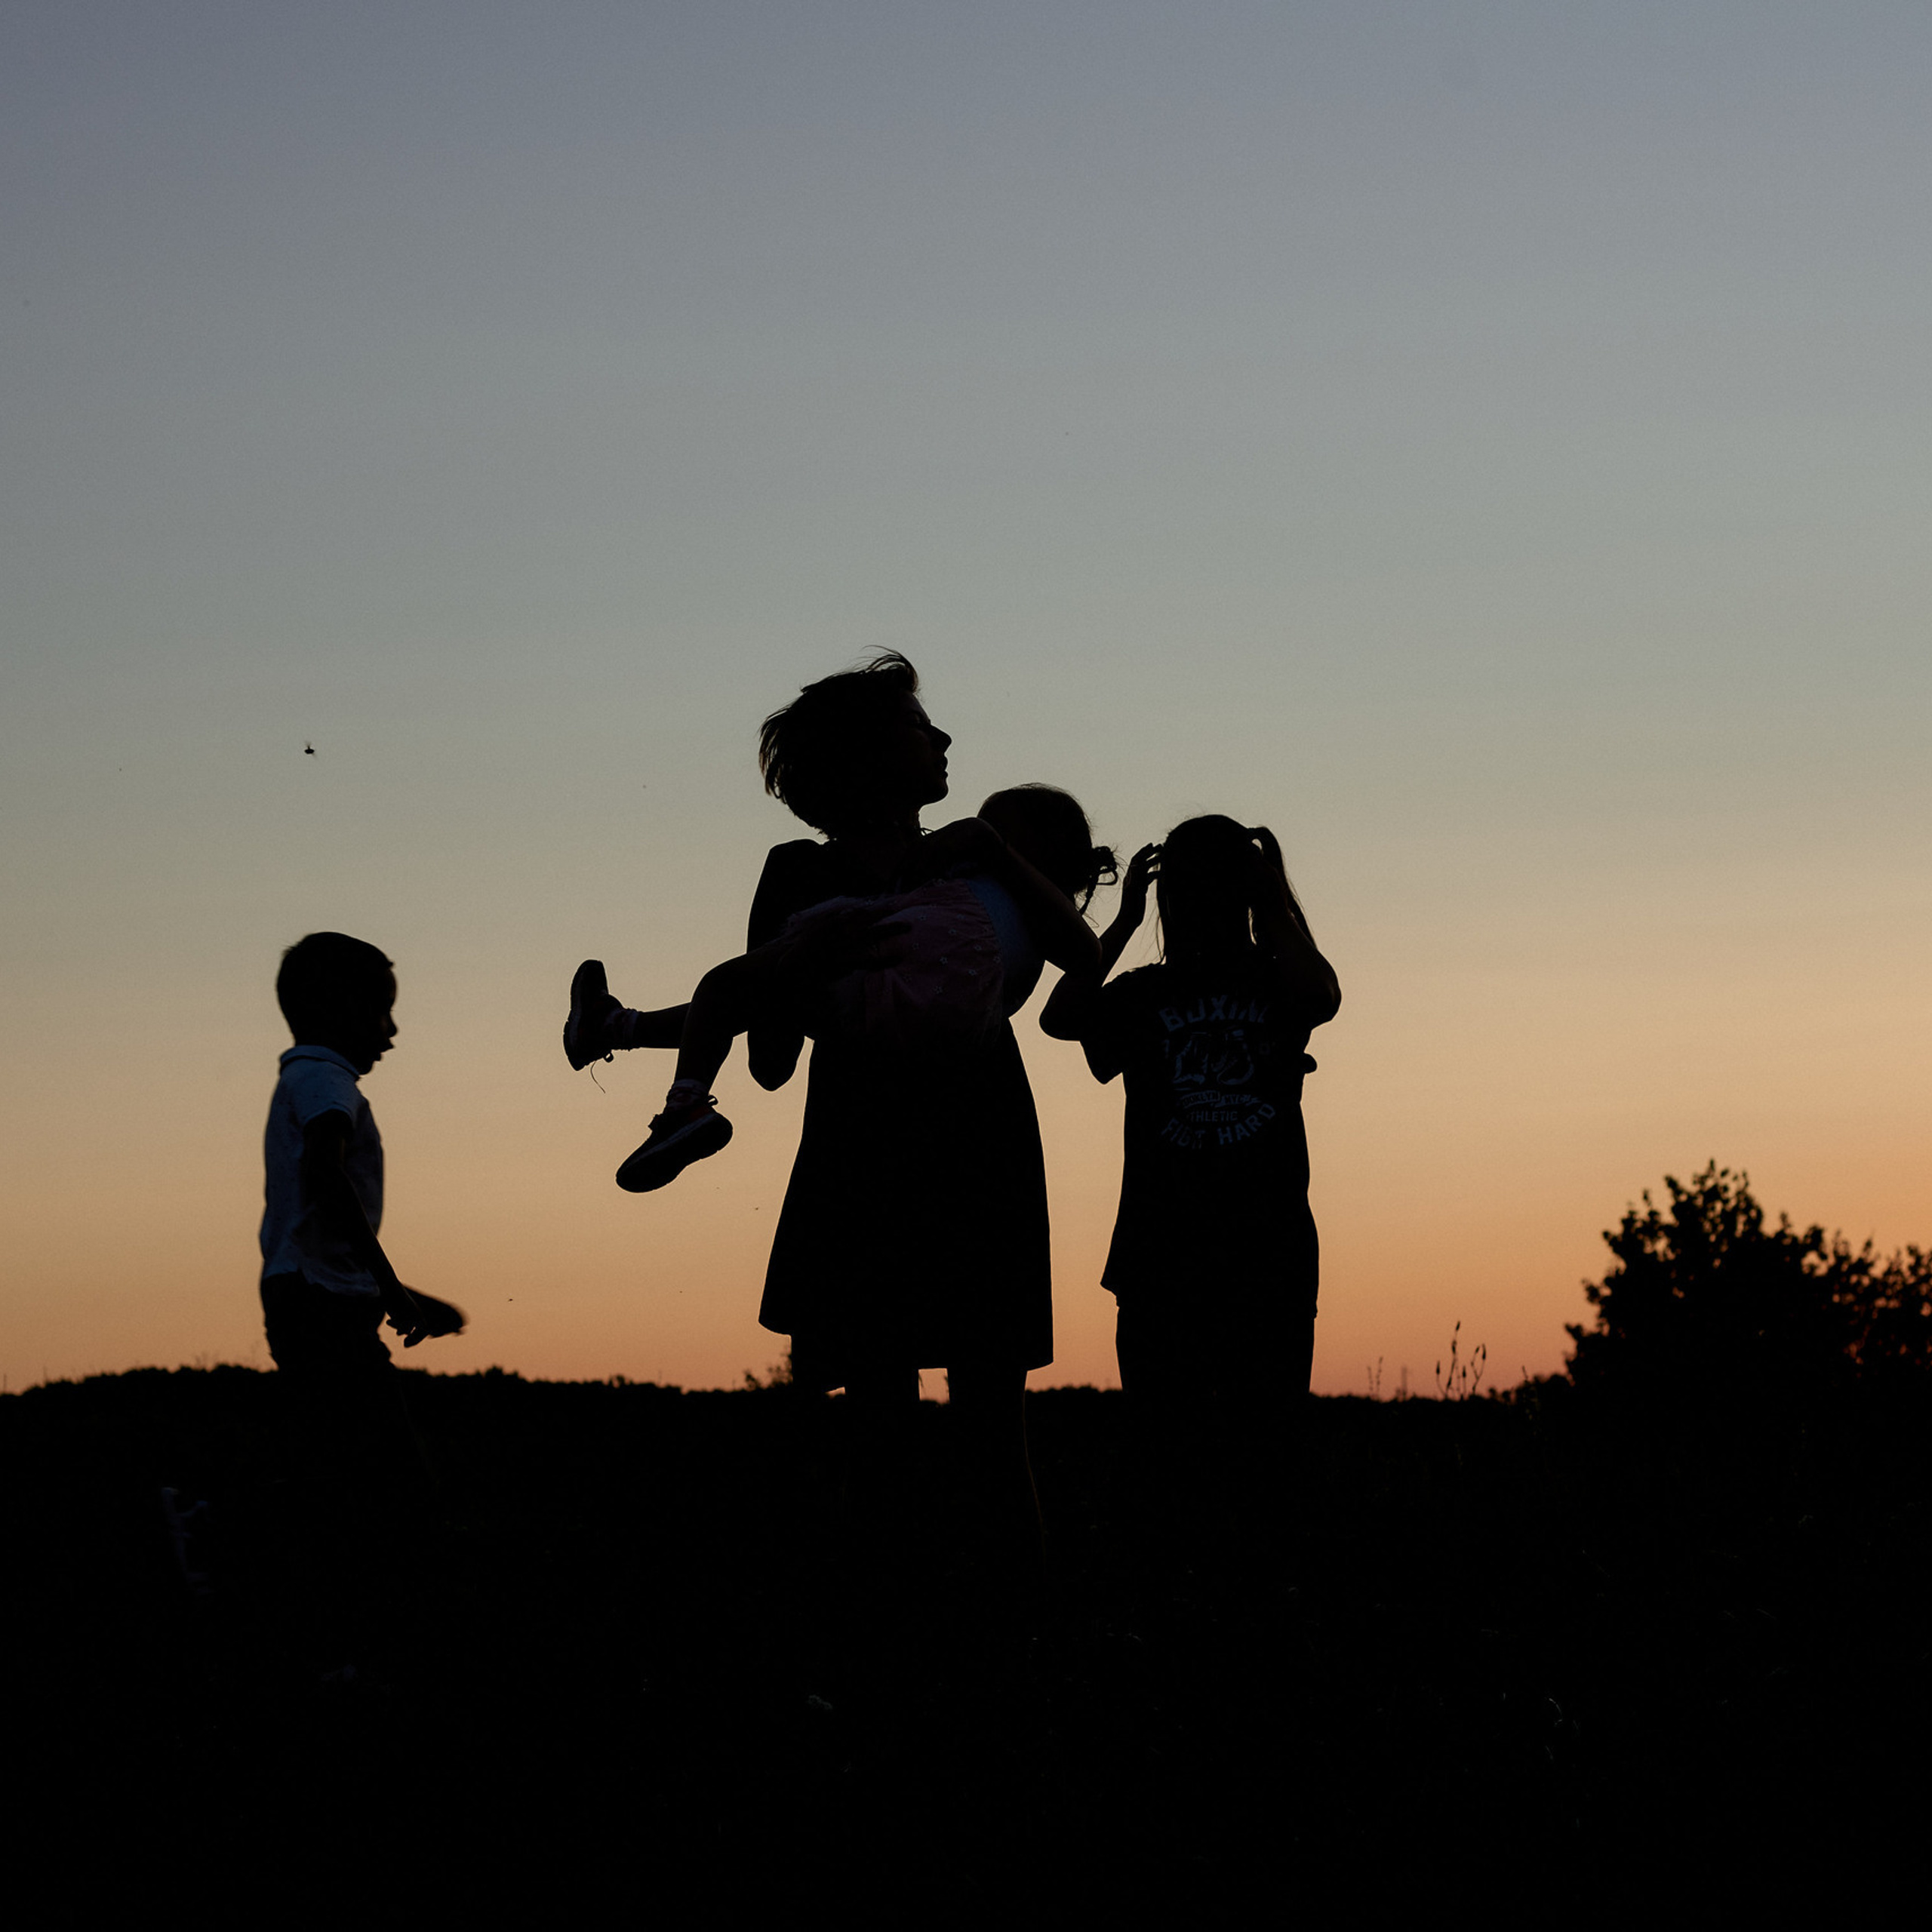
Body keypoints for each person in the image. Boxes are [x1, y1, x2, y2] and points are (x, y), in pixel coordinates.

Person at [1040, 816, 1340, 1584]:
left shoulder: (1276, 981)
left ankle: (1227, 1593)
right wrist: (1126, 924)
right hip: (1169, 1250)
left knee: (1247, 1442)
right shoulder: (1148, 993)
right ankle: (1192, 1595)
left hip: (1252, 1247)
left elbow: (1321, 992)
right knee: (1175, 1444)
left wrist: (1259, 895)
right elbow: (1061, 1016)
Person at [574, 782, 1112, 1193]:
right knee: (756, 994)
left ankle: (669, 1087)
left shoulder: (970, 882)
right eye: (921, 729)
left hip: (877, 1135)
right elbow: (772, 1060)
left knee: (731, 987)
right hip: (960, 1106)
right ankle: (617, 1028)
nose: (944, 741)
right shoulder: (1024, 915)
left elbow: (770, 1059)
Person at [260, 931, 465, 1675]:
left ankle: (331, 1632)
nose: (392, 1031)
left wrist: (389, 1290)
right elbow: (325, 1173)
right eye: (381, 1012)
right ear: (337, 1009)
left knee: (345, 1469)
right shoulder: (323, 1080)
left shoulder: (314, 1077)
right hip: (320, 1304)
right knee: (392, 1483)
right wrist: (392, 1286)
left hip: (315, 1298)